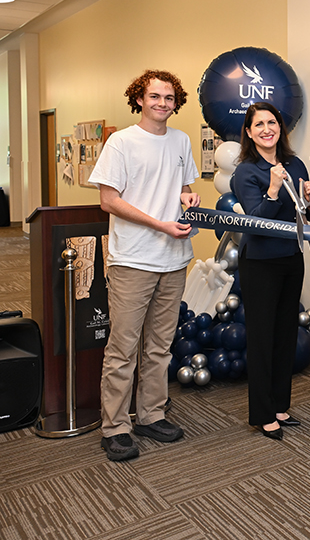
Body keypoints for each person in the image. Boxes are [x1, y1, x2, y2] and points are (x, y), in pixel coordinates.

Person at [90, 69, 201, 461]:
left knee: (159, 346)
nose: (162, 104)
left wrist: (189, 200)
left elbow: (185, 189)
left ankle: (151, 414)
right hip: (133, 258)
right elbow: (109, 200)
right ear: (139, 99)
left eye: (169, 98)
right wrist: (159, 224)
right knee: (123, 348)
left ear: (176, 102)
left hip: (174, 260)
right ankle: (115, 426)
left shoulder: (181, 141)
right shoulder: (121, 142)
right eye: (155, 97)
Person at [231, 101, 310, 440]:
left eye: (272, 122)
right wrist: (271, 189)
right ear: (249, 132)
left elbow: (305, 216)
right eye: (259, 125)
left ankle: (281, 405)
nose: (267, 129)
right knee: (262, 337)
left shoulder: (295, 164)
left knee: (285, 333)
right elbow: (257, 221)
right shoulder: (245, 172)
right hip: (260, 263)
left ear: (281, 127)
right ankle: (262, 412)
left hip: (290, 258)